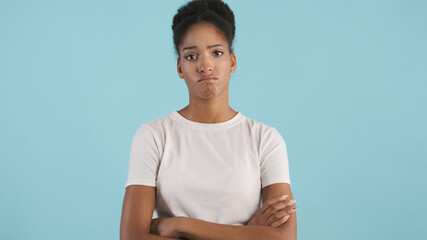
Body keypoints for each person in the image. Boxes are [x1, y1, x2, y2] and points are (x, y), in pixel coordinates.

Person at [120, 0, 297, 239]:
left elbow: (285, 237)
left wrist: (180, 226)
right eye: (192, 56)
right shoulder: (153, 136)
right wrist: (247, 233)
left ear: (232, 61)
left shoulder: (265, 139)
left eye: (217, 52)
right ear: (180, 68)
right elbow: (132, 237)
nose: (205, 65)